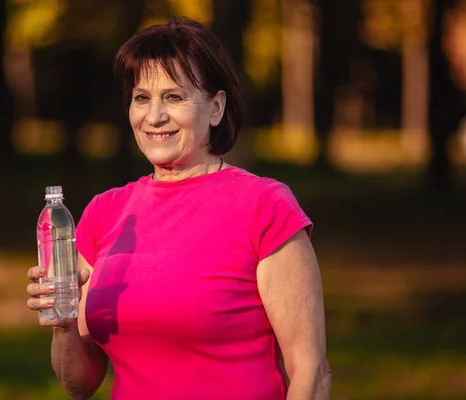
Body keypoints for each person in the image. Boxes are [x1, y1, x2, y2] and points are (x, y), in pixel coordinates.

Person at [27, 17, 331, 400]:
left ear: (216, 108)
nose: (154, 116)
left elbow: (311, 373)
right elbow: (80, 383)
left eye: (174, 97)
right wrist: (63, 324)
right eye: (142, 98)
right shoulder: (105, 213)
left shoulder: (265, 207)